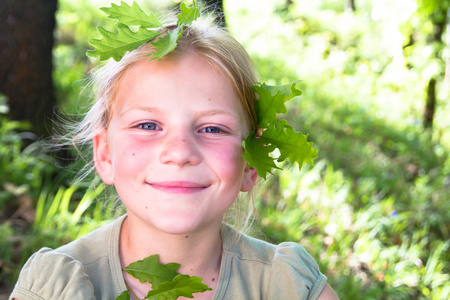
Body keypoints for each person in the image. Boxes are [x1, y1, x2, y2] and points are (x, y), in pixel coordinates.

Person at [10, 2, 339, 300]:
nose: (179, 152)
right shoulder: (57, 288)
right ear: (106, 155)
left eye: (212, 129)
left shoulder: (286, 287)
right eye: (148, 126)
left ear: (250, 162)